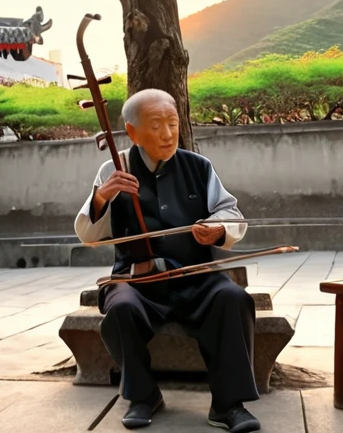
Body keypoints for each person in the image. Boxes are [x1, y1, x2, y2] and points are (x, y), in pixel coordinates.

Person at [74, 89, 260, 432]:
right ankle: (144, 395)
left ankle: (228, 404)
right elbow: (88, 233)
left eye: (172, 123)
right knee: (120, 310)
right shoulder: (115, 168)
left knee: (233, 298)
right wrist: (102, 196)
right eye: (156, 124)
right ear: (132, 133)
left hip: (196, 276)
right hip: (138, 279)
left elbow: (230, 212)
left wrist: (217, 228)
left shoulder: (198, 167)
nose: (167, 133)